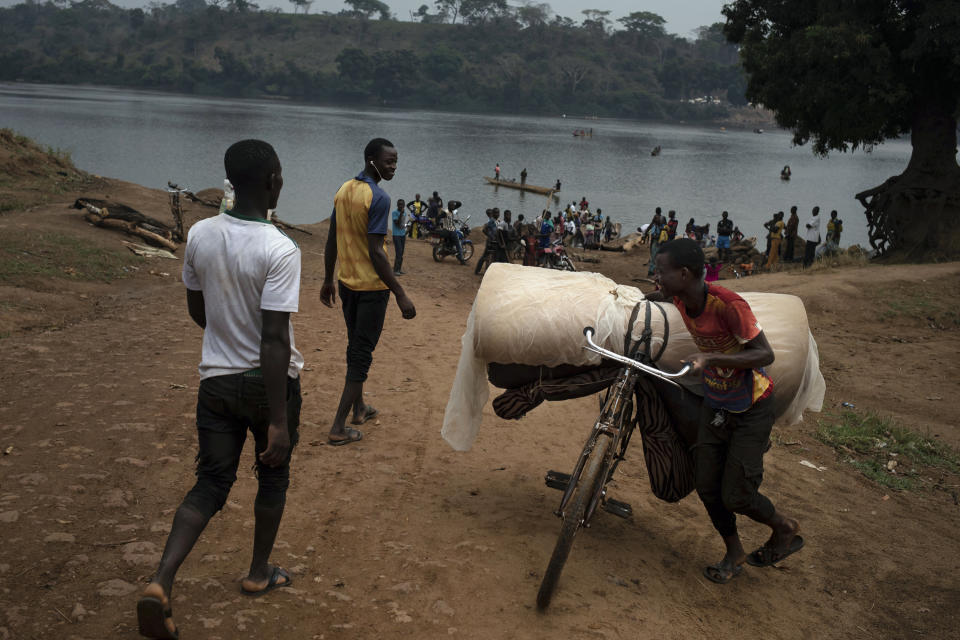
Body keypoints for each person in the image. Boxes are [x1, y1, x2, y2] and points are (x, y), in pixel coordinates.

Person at [137, 140, 303, 639]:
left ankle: (161, 581)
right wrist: (277, 419)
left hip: (216, 383)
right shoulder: (279, 248)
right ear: (274, 181)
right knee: (272, 477)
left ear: (232, 181)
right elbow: (274, 340)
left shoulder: (200, 235)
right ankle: (258, 573)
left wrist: (226, 338)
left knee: (210, 483)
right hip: (267, 385)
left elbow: (198, 312)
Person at [647, 238, 803, 585]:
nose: (656, 276)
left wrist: (711, 358)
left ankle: (784, 527)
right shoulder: (680, 297)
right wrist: (647, 297)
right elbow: (662, 295)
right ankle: (734, 551)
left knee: (737, 494)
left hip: (752, 406)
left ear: (684, 273)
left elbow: (765, 355)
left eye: (661, 271)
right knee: (706, 485)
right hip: (716, 403)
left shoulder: (729, 305)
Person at [320, 138, 417, 446]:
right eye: (389, 161)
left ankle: (359, 408)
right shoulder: (378, 197)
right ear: (371, 160)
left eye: (396, 161)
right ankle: (338, 427)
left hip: (348, 285)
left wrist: (328, 278)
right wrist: (400, 292)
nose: (393, 167)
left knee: (355, 348)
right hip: (372, 290)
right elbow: (377, 252)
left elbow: (333, 238)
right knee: (361, 355)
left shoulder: (344, 189)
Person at [391, 198, 406, 275]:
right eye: (399, 204)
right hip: (396, 235)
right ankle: (395, 270)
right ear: (397, 205)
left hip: (402, 235)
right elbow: (397, 223)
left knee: (401, 252)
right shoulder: (394, 213)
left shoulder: (405, 213)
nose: (400, 206)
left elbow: (402, 224)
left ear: (404, 205)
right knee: (399, 252)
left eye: (402, 204)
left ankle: (399, 269)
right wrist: (400, 214)